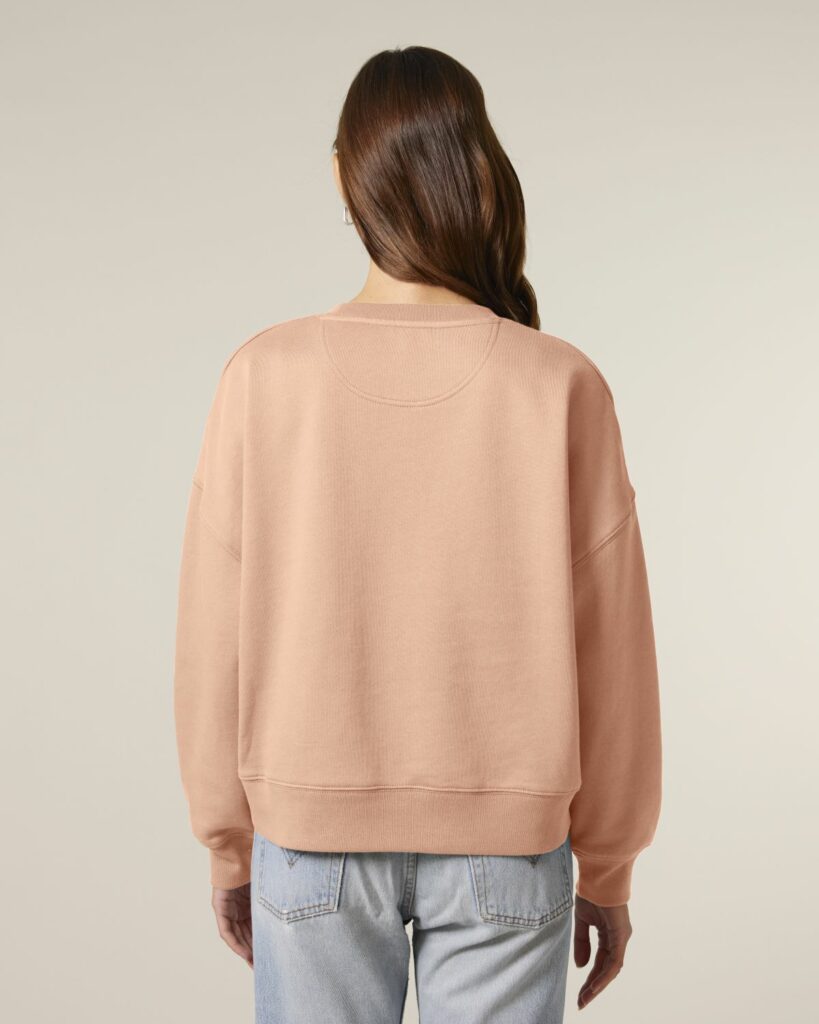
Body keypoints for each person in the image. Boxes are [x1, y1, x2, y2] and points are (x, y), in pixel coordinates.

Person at [173, 45, 662, 1024]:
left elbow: (211, 634)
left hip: (309, 836)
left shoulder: (262, 376)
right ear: (479, 169)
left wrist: (228, 842)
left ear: (342, 178)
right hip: (507, 844)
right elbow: (614, 648)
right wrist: (607, 862)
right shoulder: (558, 383)